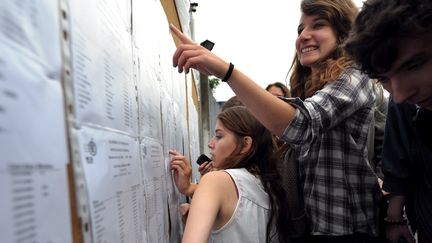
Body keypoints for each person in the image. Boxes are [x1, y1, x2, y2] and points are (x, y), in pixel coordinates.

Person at [170, 0, 381, 241]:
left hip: (347, 231)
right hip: (312, 228)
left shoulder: (355, 77)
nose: (304, 36)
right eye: (301, 29)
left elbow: (301, 125)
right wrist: (198, 196)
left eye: (318, 25)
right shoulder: (310, 89)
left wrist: (226, 72)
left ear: (343, 33)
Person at [345, 0, 432, 242]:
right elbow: (398, 164)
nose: (401, 93)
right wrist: (395, 218)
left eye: (414, 65)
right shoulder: (404, 104)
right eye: (383, 78)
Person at [170, 106, 291, 243]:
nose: (210, 144)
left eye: (219, 136)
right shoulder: (270, 185)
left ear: (245, 144)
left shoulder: (215, 180)